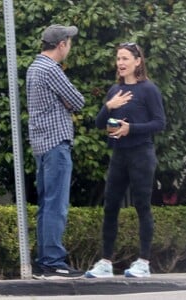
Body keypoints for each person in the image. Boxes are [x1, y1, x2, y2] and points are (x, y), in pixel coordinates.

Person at [85, 42, 166, 278]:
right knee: (110, 206)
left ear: (137, 61)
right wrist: (108, 106)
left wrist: (131, 129)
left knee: (142, 206)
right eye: (118, 58)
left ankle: (143, 262)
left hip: (141, 153)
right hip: (119, 155)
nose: (120, 63)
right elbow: (100, 124)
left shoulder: (149, 89)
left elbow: (160, 123)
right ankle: (105, 262)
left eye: (125, 58)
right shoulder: (114, 91)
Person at [26, 24, 85, 279]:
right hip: (56, 144)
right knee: (56, 205)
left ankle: (45, 261)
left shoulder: (34, 67)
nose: (69, 47)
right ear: (61, 44)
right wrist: (66, 102)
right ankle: (53, 261)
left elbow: (69, 100)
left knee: (46, 204)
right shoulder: (51, 69)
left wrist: (65, 101)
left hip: (41, 145)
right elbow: (78, 101)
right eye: (68, 42)